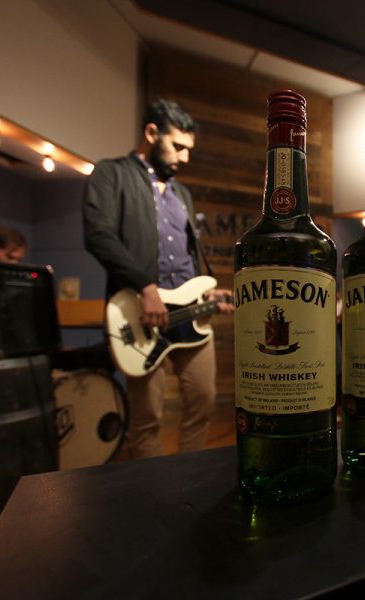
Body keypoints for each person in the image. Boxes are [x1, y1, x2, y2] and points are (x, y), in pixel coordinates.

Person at [83, 98, 233, 459]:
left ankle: (190, 480)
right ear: (151, 133)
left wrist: (206, 292)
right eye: (178, 146)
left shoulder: (182, 194)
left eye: (188, 149)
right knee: (146, 418)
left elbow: (187, 254)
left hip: (189, 315)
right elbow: (98, 235)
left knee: (203, 401)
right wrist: (145, 287)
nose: (185, 157)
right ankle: (150, 489)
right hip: (141, 313)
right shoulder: (110, 173)